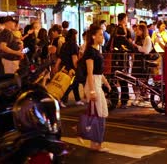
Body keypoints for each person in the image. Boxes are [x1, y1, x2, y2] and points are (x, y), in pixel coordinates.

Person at [81, 24, 111, 152]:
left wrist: (106, 83)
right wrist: (92, 90)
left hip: (97, 82)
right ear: (93, 36)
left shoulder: (97, 50)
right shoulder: (90, 51)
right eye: (100, 34)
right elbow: (90, 72)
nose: (102, 36)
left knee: (101, 113)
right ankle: (95, 144)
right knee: (98, 114)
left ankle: (96, 143)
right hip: (93, 83)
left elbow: (99, 72)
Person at [56, 29, 84, 107]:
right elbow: (74, 58)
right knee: (71, 84)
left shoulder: (64, 44)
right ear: (74, 36)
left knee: (74, 83)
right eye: (76, 35)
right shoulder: (73, 45)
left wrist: (56, 66)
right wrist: (77, 68)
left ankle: (77, 100)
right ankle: (61, 99)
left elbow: (60, 56)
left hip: (65, 67)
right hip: (71, 68)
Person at [130, 24, 153, 106]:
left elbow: (146, 50)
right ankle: (137, 97)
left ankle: (145, 98)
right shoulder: (137, 38)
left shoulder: (147, 38)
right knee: (134, 80)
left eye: (139, 30)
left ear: (143, 30)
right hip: (137, 61)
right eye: (136, 30)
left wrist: (137, 46)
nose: (137, 31)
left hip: (144, 62)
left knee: (143, 81)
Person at [112, 26, 133, 109]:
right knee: (124, 83)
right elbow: (132, 49)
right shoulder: (125, 40)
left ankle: (113, 99)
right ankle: (124, 101)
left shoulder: (113, 39)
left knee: (112, 81)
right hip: (123, 64)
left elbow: (107, 48)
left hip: (113, 64)